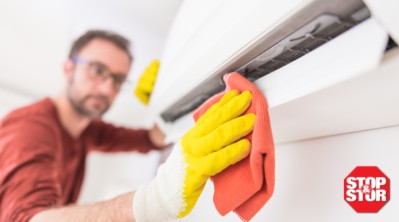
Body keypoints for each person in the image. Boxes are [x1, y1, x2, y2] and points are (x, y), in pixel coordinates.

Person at [0, 30, 255, 222]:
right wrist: (157, 199)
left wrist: (163, 104)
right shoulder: (31, 128)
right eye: (97, 70)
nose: (108, 88)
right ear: (68, 69)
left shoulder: (86, 129)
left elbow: (151, 139)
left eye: (118, 79)